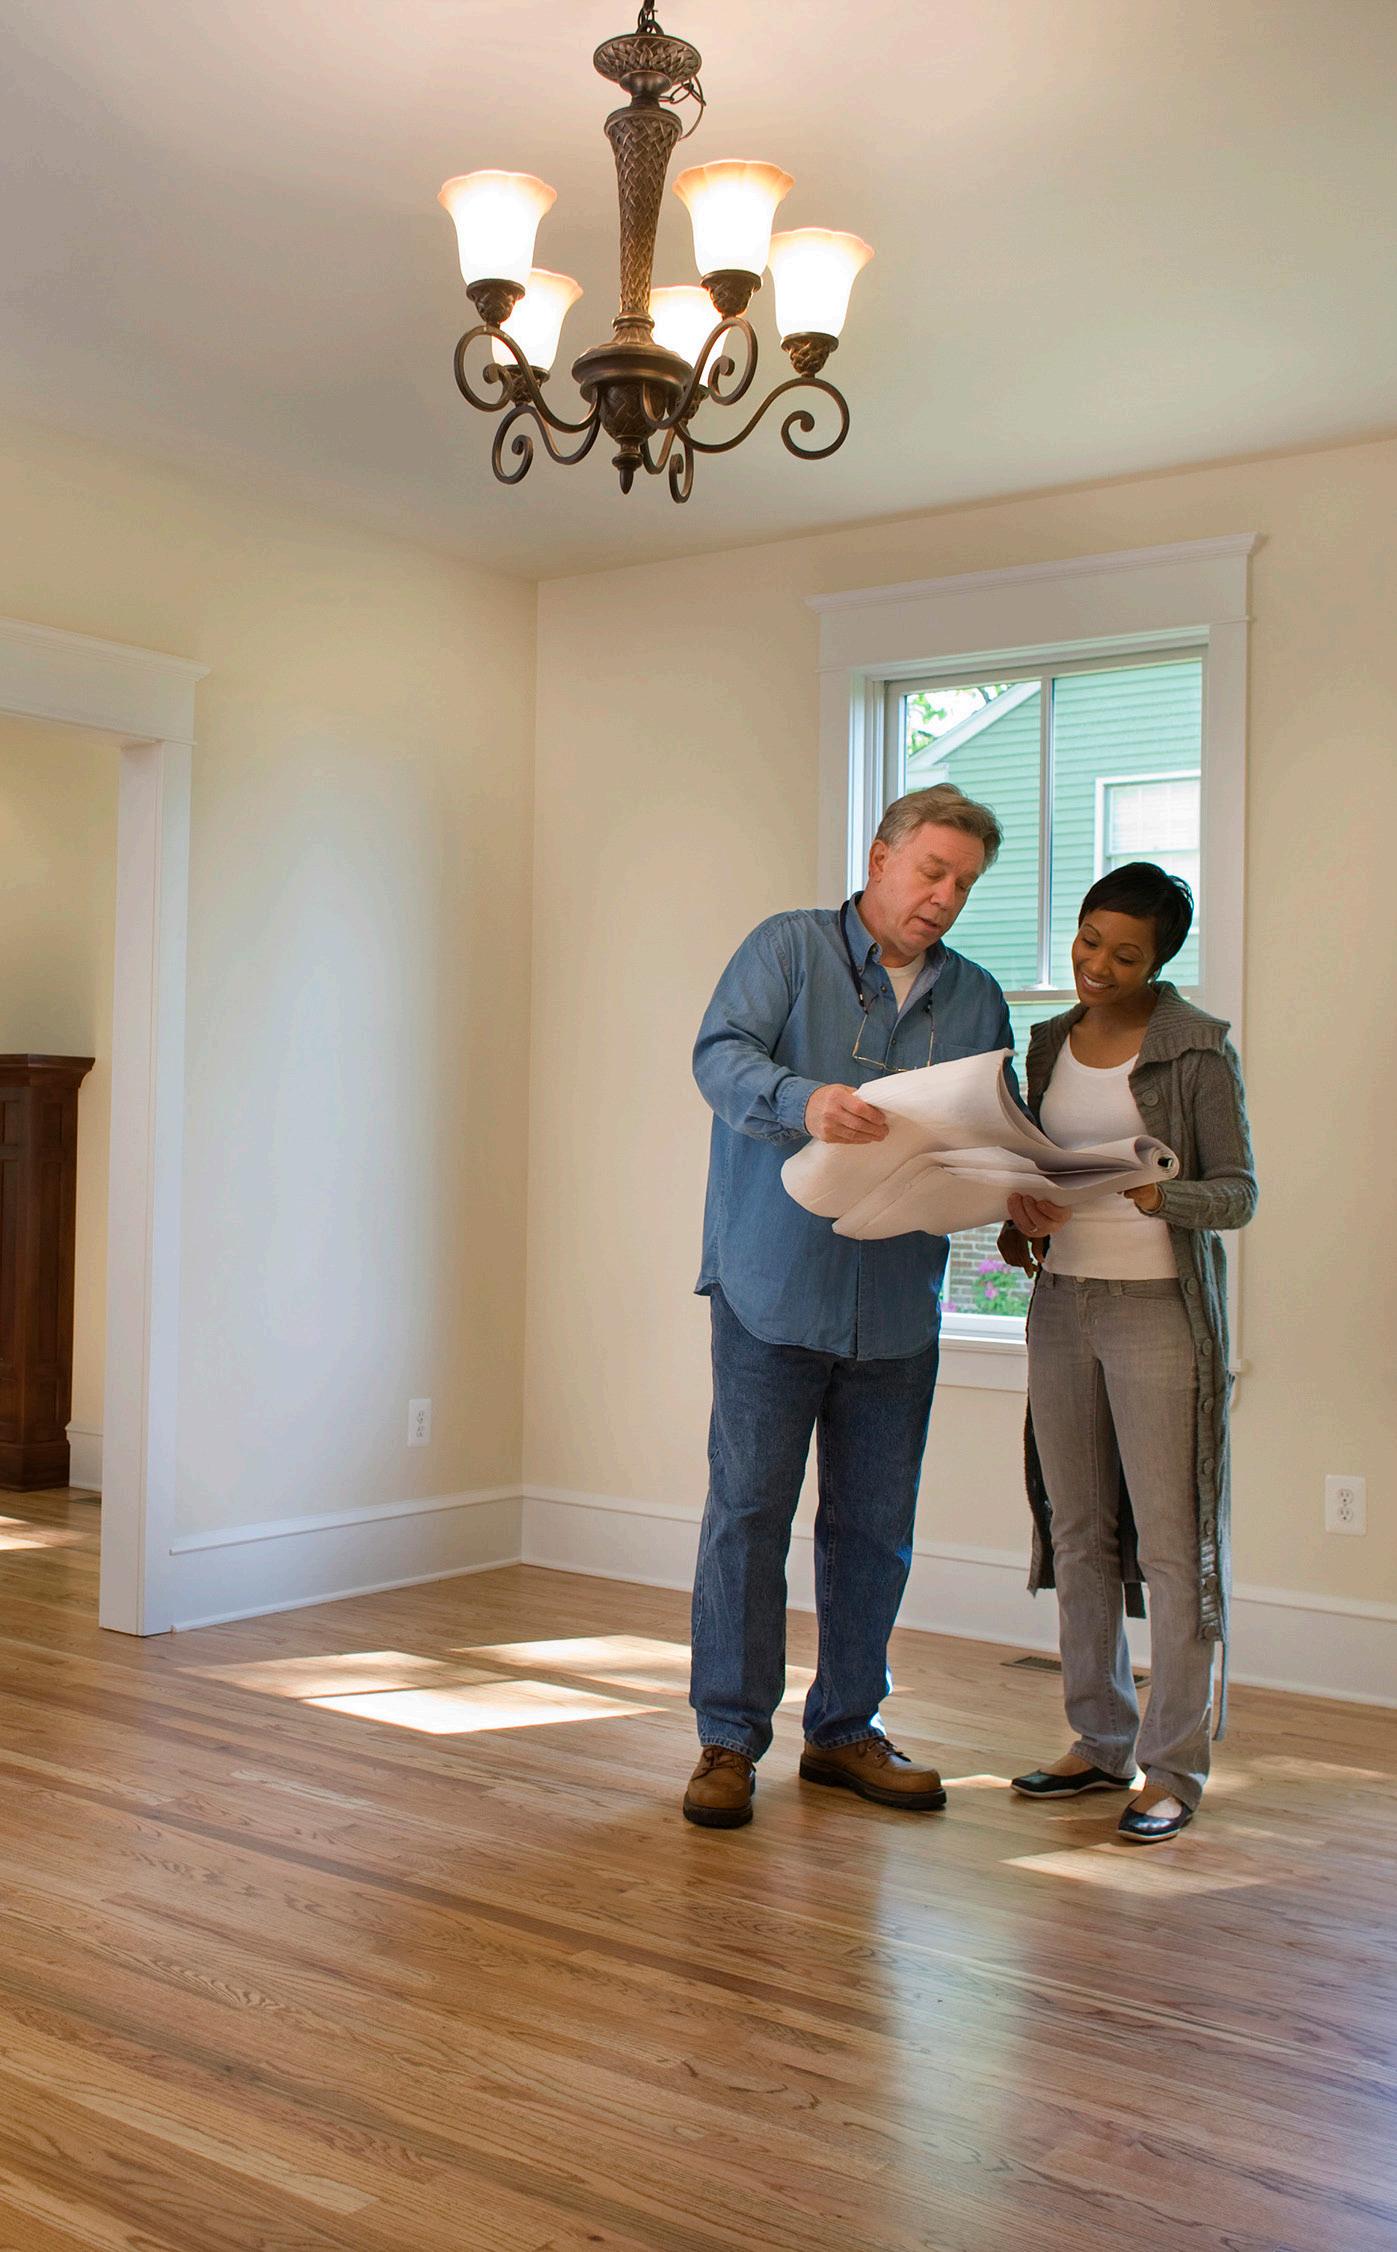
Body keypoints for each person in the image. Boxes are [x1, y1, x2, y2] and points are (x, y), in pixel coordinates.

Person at [683, 783, 1013, 1828]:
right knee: (748, 1517)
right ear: (879, 858)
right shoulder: (786, 949)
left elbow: (993, 1129)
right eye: (931, 871)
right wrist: (805, 1100)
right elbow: (718, 1057)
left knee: (874, 1529)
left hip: (898, 1307)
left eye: (963, 883)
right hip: (771, 1291)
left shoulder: (976, 998)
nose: (944, 896)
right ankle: (727, 1739)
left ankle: (844, 1730)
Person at [999, 862, 1257, 1843]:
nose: (1096, 964)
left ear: (1158, 962)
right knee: (1076, 1532)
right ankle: (1097, 1739)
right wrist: (1022, 1218)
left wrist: (1161, 1196)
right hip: (1061, 1304)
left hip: (1157, 1313)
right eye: (1087, 939)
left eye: (1124, 953)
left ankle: (1172, 1768)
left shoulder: (1196, 1049)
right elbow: (1034, 1175)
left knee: (1171, 1543)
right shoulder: (1046, 1043)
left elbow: (1237, 1192)